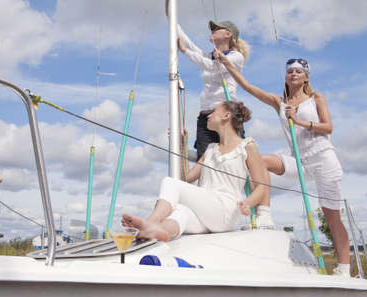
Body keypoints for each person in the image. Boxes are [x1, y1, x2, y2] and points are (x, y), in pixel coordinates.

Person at [215, 54, 350, 277]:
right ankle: (264, 215)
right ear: (286, 77)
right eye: (290, 71)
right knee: (258, 161)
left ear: (306, 77)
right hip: (299, 160)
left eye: (299, 71)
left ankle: (344, 268)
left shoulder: (316, 98)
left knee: (331, 215)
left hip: (323, 157)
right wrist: (227, 64)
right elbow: (248, 87)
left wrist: (298, 121)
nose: (293, 74)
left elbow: (328, 128)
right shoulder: (279, 102)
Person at [122, 101, 271, 241]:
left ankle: (150, 222)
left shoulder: (247, 146)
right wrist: (182, 147)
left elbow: (261, 186)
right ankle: (159, 231)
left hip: (227, 210)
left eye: (213, 111)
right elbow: (187, 177)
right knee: (180, 211)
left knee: (169, 182)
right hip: (208, 212)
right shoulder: (211, 149)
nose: (209, 115)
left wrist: (247, 203)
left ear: (226, 116)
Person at [165, 0, 250, 159]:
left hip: (227, 114)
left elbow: (212, 66)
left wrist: (184, 52)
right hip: (206, 117)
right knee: (204, 160)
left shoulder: (236, 57)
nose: (212, 30)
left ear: (228, 34)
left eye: (216, 28)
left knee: (234, 158)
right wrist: (171, 15)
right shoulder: (209, 56)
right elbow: (188, 43)